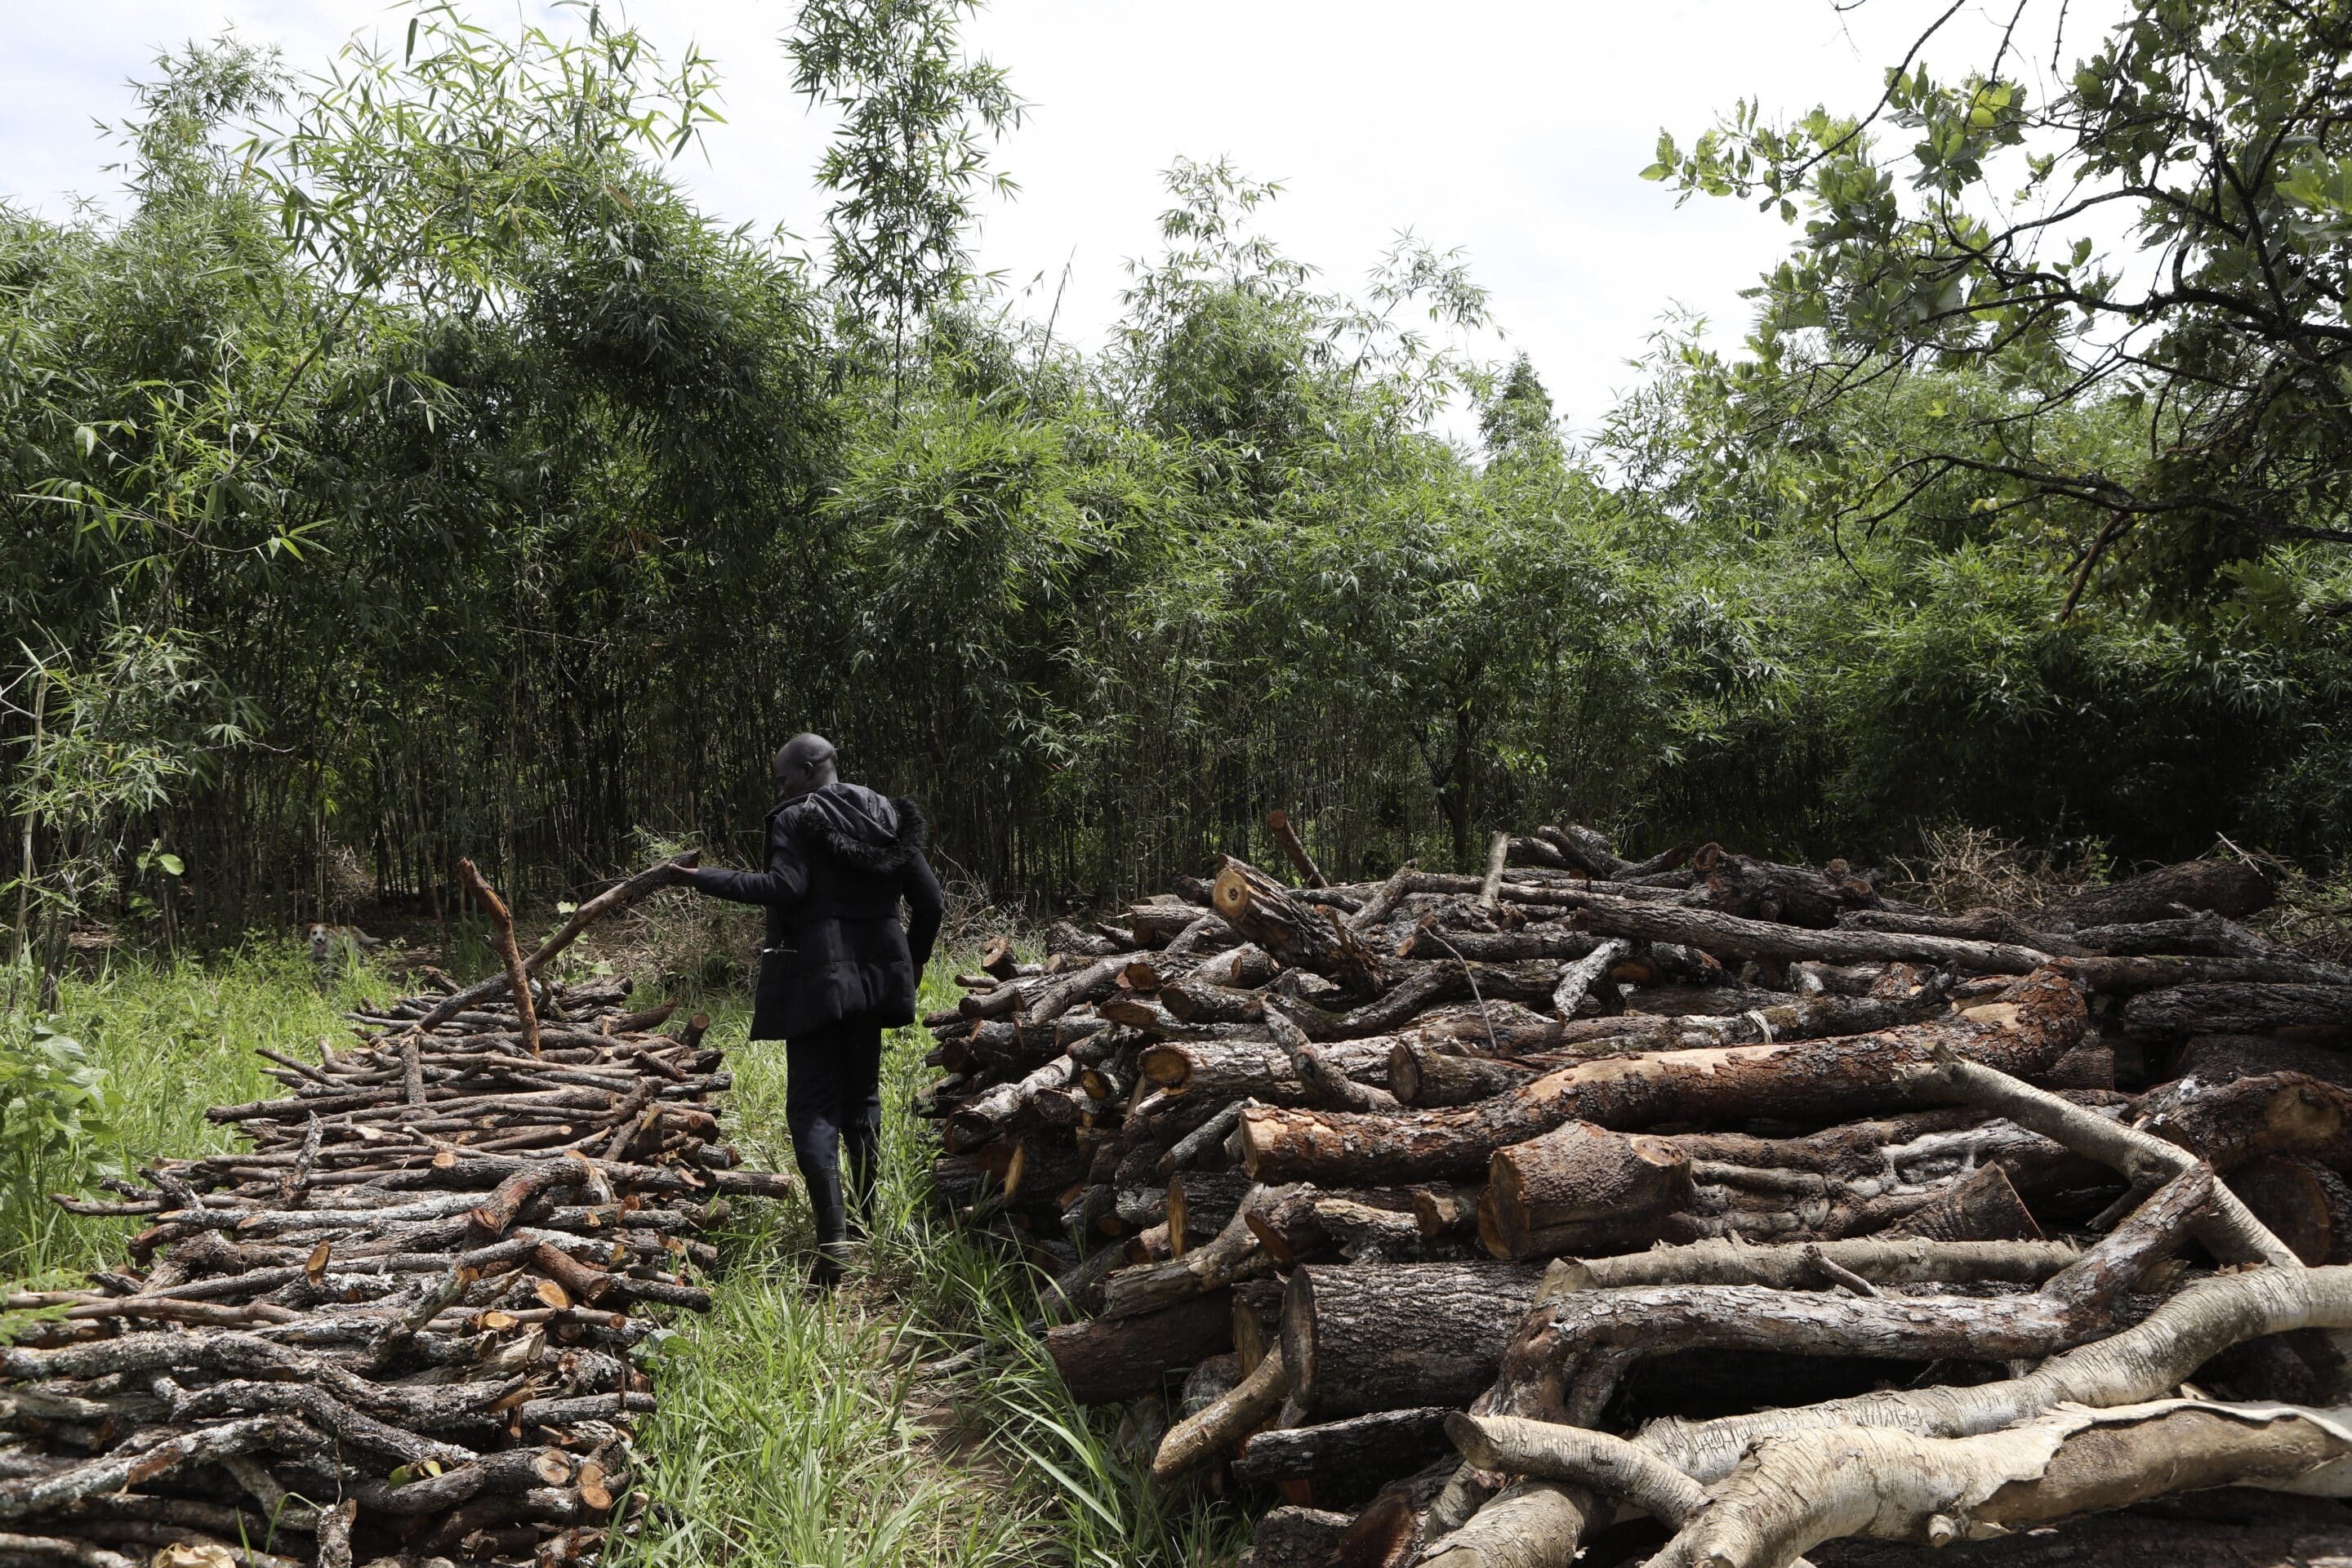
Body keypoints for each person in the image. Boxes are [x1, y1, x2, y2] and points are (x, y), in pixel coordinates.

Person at [688, 734, 942, 1283]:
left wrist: (700, 879)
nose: (780, 789)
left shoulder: (797, 818)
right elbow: (931, 901)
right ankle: (869, 1221)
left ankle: (833, 1247)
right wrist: (913, 961)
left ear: (807, 770)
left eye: (783, 779)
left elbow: (785, 886)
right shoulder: (886, 814)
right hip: (877, 979)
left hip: (815, 979)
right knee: (863, 1096)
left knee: (812, 1108)